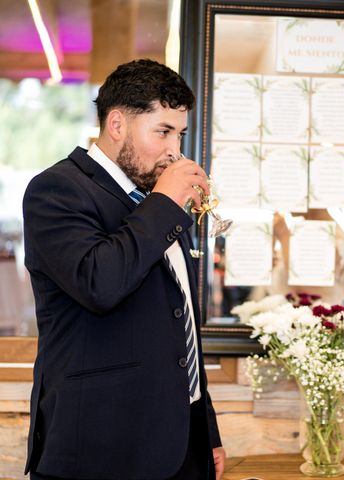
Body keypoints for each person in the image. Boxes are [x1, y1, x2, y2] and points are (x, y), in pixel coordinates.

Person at [22, 59, 225, 480]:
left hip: (181, 446)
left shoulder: (156, 200)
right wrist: (166, 204)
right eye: (163, 131)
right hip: (101, 447)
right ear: (117, 124)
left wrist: (205, 430)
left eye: (180, 134)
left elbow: (180, 317)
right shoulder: (56, 190)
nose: (176, 150)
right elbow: (99, 283)